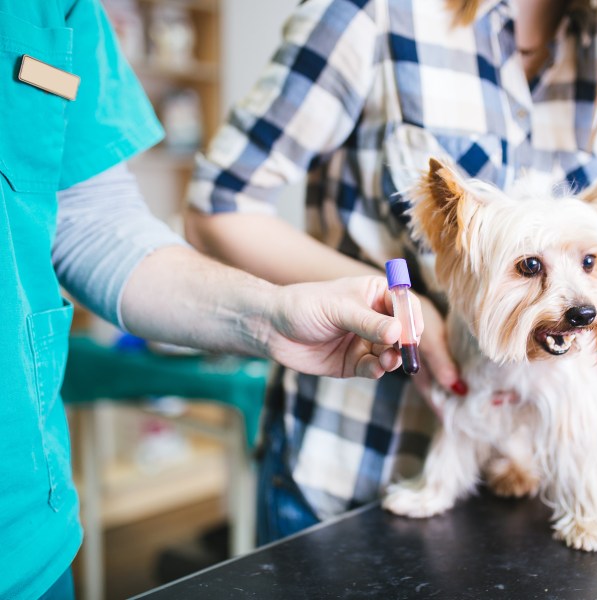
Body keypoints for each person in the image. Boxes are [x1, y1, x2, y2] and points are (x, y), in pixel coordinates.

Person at [184, 0, 597, 544]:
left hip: (520, 506)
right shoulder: (369, 14)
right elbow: (216, 206)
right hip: (350, 468)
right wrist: (394, 304)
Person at [0, 2, 422, 599]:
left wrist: (272, 317)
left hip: (22, 542)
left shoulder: (55, 9)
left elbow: (93, 220)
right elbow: (221, 201)